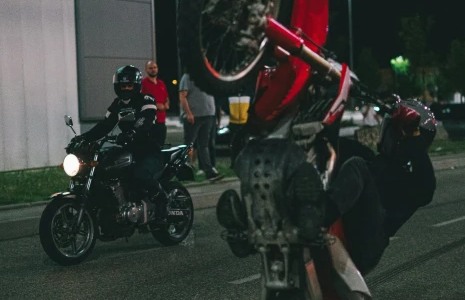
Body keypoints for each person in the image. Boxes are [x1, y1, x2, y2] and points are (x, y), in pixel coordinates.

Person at [217, 100, 436, 274]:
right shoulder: (370, 159)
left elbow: (427, 189)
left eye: (393, 131)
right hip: (348, 230)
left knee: (356, 166)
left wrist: (413, 134)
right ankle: (249, 232)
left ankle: (316, 217)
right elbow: (332, 146)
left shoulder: (413, 180)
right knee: (316, 169)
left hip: (367, 244)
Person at [71, 65, 169, 221]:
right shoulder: (117, 104)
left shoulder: (146, 99)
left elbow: (145, 120)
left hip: (149, 150)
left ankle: (161, 199)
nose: (126, 88)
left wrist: (133, 132)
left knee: (140, 175)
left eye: (129, 85)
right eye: (123, 85)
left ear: (136, 85)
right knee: (103, 168)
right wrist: (84, 138)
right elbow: (105, 125)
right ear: (117, 86)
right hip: (128, 148)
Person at [179, 72, 223, 182]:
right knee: (188, 145)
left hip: (208, 115)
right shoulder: (188, 76)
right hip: (194, 116)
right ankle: (184, 172)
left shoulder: (208, 76)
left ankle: (209, 172)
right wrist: (188, 113)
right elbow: (182, 96)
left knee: (204, 145)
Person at [141, 60, 170, 146]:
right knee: (150, 147)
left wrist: (166, 104)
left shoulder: (161, 83)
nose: (153, 70)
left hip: (161, 121)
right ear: (146, 69)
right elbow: (140, 101)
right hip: (149, 122)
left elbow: (166, 98)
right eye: (150, 68)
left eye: (155, 67)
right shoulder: (143, 83)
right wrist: (155, 105)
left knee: (161, 146)